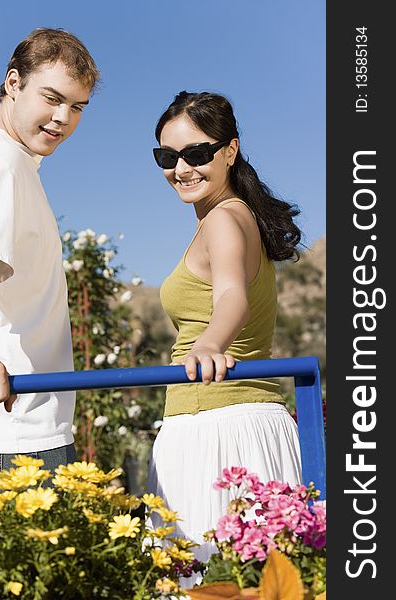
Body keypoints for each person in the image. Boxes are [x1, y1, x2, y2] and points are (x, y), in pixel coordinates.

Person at [146, 91, 303, 584]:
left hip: (216, 428)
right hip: (237, 423)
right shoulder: (234, 216)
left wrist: (211, 343)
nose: (182, 168)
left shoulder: (223, 218)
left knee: (207, 585)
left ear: (230, 151)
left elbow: (232, 296)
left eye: (196, 153)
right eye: (168, 157)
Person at [0, 28, 100, 488]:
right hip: (10, 434)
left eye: (77, 107)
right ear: (13, 83)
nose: (63, 117)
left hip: (24, 424)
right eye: (52, 97)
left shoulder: (15, 163)